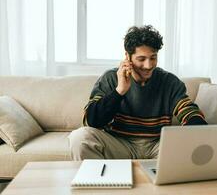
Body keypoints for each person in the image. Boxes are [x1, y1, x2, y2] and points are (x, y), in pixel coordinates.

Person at [69, 25, 207, 161]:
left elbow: (188, 111)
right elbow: (91, 120)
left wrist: (201, 133)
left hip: (158, 146)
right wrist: (119, 91)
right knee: (79, 138)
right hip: (120, 144)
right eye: (141, 59)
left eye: (153, 58)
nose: (148, 65)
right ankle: (98, 182)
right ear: (127, 57)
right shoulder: (110, 78)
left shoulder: (169, 81)